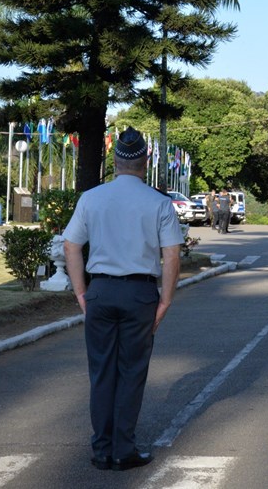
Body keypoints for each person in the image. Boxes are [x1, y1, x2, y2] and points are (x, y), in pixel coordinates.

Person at [63, 127, 183, 472]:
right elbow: (171, 256)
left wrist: (81, 291)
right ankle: (123, 449)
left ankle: (101, 449)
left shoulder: (92, 198)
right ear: (145, 161)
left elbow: (71, 245)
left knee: (102, 372)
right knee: (131, 373)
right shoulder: (159, 202)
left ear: (114, 161)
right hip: (139, 293)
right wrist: (166, 300)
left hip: (100, 290)